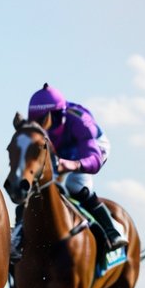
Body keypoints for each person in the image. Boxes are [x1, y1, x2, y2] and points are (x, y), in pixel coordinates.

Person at [16, 83, 126, 254]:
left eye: (45, 121)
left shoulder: (80, 122)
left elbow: (94, 160)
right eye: (37, 122)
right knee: (34, 189)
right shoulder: (38, 128)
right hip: (60, 149)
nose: (43, 127)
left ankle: (112, 230)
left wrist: (71, 165)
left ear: (58, 116)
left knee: (75, 186)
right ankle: (17, 237)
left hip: (89, 149)